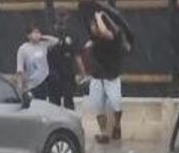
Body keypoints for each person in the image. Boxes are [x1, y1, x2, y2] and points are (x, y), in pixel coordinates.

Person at [84, 9, 129, 143]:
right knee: (98, 107)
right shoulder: (93, 41)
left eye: (96, 25)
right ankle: (103, 133)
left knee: (116, 104)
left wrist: (99, 16)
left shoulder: (113, 37)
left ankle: (116, 125)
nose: (94, 27)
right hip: (97, 77)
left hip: (111, 76)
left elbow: (105, 33)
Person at [43, 22, 80, 110]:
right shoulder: (48, 34)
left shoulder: (72, 34)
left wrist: (81, 71)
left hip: (67, 73)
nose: (60, 26)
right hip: (53, 73)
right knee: (54, 102)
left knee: (68, 100)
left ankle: (70, 120)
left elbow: (75, 54)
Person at [15, 24, 51, 100]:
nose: (37, 34)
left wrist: (43, 37)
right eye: (35, 32)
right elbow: (20, 70)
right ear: (28, 35)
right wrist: (20, 88)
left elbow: (56, 41)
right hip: (31, 84)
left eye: (38, 32)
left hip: (44, 82)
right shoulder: (23, 49)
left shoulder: (43, 45)